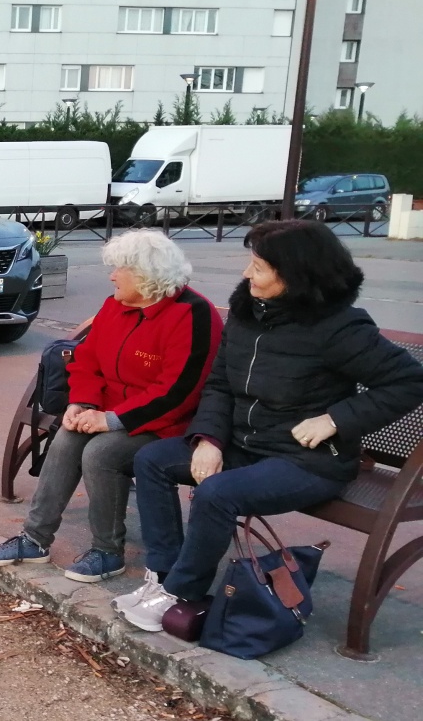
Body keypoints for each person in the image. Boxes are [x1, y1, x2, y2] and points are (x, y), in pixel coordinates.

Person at [118, 219, 423, 632]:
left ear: (295, 275)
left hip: (308, 461)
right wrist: (209, 439)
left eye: (259, 268)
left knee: (216, 493)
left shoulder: (340, 328)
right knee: (152, 459)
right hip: (246, 444)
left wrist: (335, 419)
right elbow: (220, 383)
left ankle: (183, 595)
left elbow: (409, 382)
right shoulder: (248, 314)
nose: (247, 274)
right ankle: (164, 576)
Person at [0, 230, 223, 583]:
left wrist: (112, 419)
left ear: (146, 274)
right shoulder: (115, 305)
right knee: (66, 437)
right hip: (106, 413)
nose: (111, 276)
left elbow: (179, 392)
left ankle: (108, 552)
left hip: (166, 423)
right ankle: (34, 538)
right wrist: (81, 402)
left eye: (119, 269)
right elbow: (86, 360)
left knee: (101, 453)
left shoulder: (193, 314)